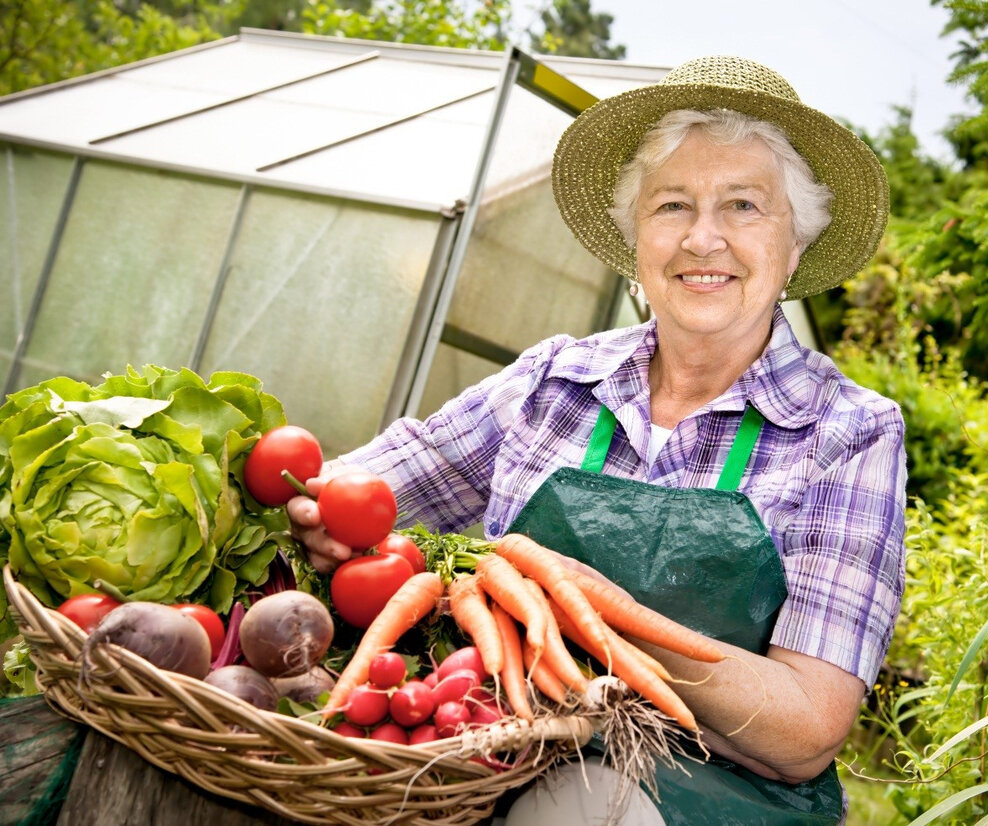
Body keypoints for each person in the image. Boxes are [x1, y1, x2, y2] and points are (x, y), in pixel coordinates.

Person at [289, 55, 906, 826]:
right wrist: (317, 513)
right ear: (636, 239)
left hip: (706, 794)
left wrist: (590, 613)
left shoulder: (846, 432)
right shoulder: (555, 378)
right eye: (673, 205)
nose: (703, 238)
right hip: (488, 740)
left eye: (744, 206)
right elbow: (372, 484)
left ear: (796, 246)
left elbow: (806, 727)